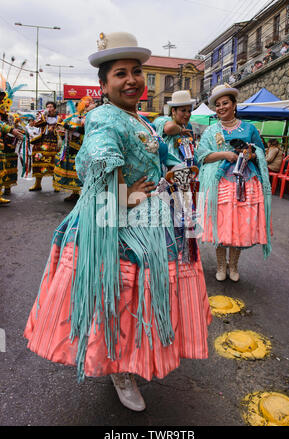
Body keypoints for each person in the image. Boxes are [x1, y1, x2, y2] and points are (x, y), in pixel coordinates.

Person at [24, 32, 212, 412]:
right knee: (122, 300)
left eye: (137, 72)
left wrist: (176, 170)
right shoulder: (103, 118)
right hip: (119, 227)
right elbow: (100, 155)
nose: (132, 80)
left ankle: (135, 357)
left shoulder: (139, 118)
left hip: (155, 219)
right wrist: (126, 194)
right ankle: (120, 368)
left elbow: (161, 153)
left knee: (144, 297)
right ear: (103, 84)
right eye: (120, 74)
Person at [196, 83, 272, 282]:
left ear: (234, 104)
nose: (221, 108)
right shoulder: (210, 131)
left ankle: (234, 265)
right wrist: (224, 154)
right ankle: (221, 265)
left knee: (239, 226)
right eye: (218, 105)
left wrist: (250, 153)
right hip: (220, 185)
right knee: (222, 226)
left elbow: (260, 152)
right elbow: (201, 156)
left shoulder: (249, 128)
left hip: (245, 183)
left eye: (225, 103)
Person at [53, 96, 96, 202]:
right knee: (73, 168)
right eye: (88, 104)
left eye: (91, 104)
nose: (90, 106)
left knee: (85, 170)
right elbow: (62, 124)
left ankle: (87, 194)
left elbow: (85, 129)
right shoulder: (74, 115)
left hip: (86, 146)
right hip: (71, 146)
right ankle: (75, 193)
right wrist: (63, 128)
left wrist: (73, 129)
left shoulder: (94, 116)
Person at [153, 90, 196, 170]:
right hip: (165, 169)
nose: (187, 114)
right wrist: (181, 130)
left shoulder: (188, 126)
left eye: (189, 111)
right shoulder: (163, 120)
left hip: (186, 169)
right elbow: (169, 128)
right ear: (173, 111)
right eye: (183, 110)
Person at [29, 101, 60, 192]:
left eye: (51, 107)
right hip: (42, 143)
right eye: (47, 107)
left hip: (54, 144)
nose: (49, 108)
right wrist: (42, 116)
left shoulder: (59, 118)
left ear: (54, 108)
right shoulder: (42, 117)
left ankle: (56, 185)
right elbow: (36, 124)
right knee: (39, 163)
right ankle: (37, 184)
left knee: (55, 164)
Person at [0, 88, 24, 203]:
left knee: (5, 168)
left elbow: (18, 128)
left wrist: (19, 132)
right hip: (2, 145)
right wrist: (11, 130)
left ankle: (6, 188)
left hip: (9, 146)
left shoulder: (11, 117)